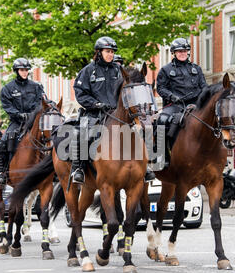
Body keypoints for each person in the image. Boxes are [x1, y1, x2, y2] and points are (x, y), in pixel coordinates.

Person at [72, 36, 155, 184]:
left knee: (139, 129)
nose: (110, 54)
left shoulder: (119, 70)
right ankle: (78, 168)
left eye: (112, 52)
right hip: (95, 112)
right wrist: (96, 104)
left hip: (117, 112)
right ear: (99, 52)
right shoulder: (88, 71)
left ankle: (145, 166)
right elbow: (80, 92)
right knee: (82, 131)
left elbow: (129, 90)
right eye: (107, 51)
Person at [155, 37, 207, 166]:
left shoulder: (197, 69)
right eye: (179, 51)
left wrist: (202, 98)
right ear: (174, 53)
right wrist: (172, 96)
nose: (182, 53)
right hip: (175, 104)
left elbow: (204, 86)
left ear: (188, 52)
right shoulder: (165, 70)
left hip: (195, 104)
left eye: (184, 51)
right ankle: (162, 156)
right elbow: (161, 88)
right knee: (161, 120)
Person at [0, 57, 45, 185]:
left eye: (26, 70)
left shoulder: (36, 86)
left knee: (49, 138)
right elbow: (7, 106)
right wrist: (19, 115)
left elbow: (41, 101)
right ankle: (2, 171)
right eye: (22, 70)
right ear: (16, 71)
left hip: (34, 122)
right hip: (17, 122)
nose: (24, 72)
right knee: (2, 143)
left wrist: (33, 114)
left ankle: (51, 170)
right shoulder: (8, 88)